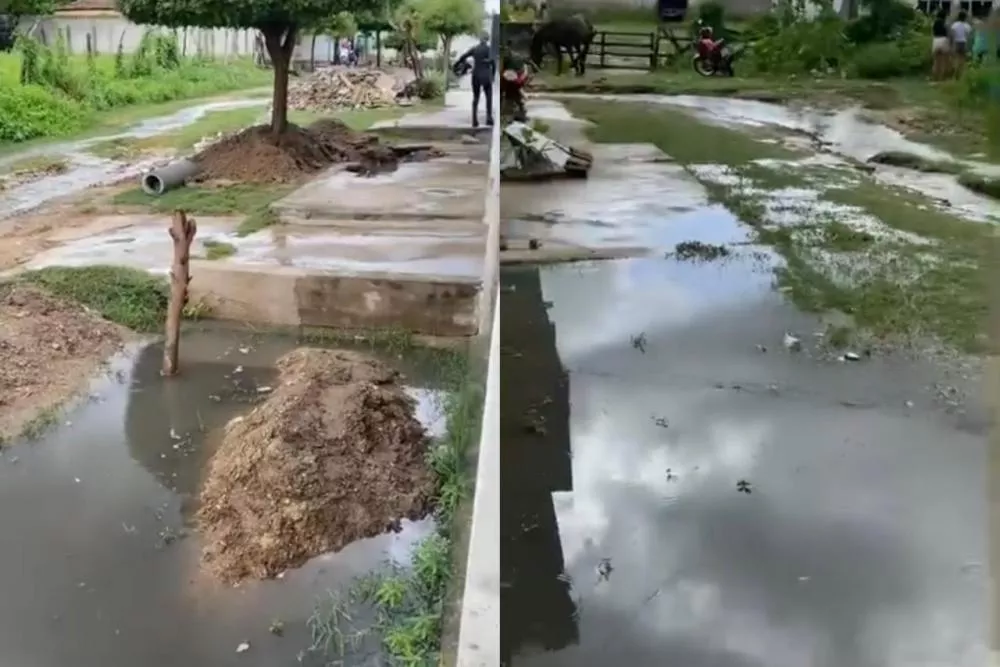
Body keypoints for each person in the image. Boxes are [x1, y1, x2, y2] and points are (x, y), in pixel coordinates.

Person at [455, 32, 495, 128]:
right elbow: (493, 63)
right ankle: (489, 118)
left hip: (476, 75)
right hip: (486, 75)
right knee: (488, 97)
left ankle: (474, 120)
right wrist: (492, 76)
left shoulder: (475, 49)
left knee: (476, 97)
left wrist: (457, 65)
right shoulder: (489, 50)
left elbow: (463, 57)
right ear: (487, 39)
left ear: (480, 39)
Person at [951, 10, 973, 75]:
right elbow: (969, 36)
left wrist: (952, 43)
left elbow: (952, 34)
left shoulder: (955, 25)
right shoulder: (967, 26)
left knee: (956, 58)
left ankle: (955, 73)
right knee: (963, 59)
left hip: (956, 42)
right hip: (964, 43)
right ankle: (962, 73)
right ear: (965, 17)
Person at [931, 8, 951, 80]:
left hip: (936, 40)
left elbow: (932, 32)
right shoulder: (945, 23)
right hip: (944, 40)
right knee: (944, 61)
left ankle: (934, 78)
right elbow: (948, 33)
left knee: (936, 61)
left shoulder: (934, 22)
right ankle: (942, 78)